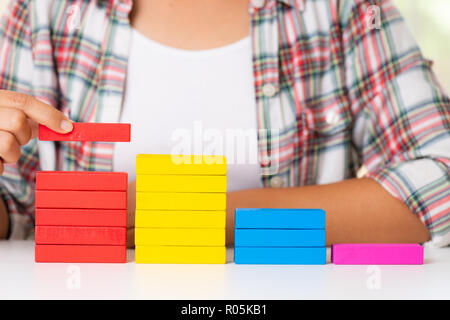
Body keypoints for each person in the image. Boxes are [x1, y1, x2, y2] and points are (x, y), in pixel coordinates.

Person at [0, 0, 448, 247]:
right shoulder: (44, 11)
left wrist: (194, 215)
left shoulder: (343, 9)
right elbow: (17, 211)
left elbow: (439, 180)